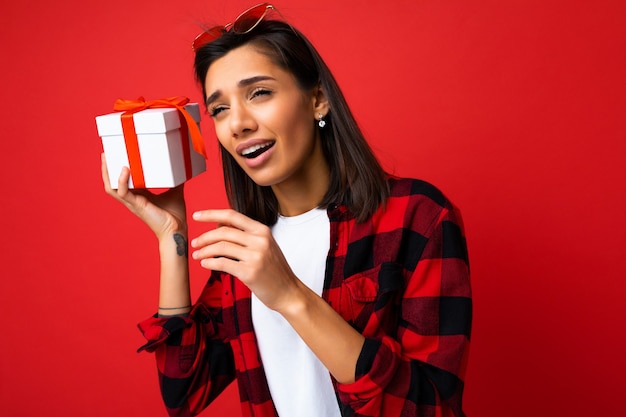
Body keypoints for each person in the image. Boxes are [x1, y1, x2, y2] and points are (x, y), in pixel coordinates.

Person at [102, 3, 472, 417]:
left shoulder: (416, 215)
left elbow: (430, 407)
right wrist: (171, 235)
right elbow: (184, 392)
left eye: (259, 93)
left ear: (317, 100)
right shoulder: (246, 245)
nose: (237, 123)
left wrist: (291, 295)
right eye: (220, 109)